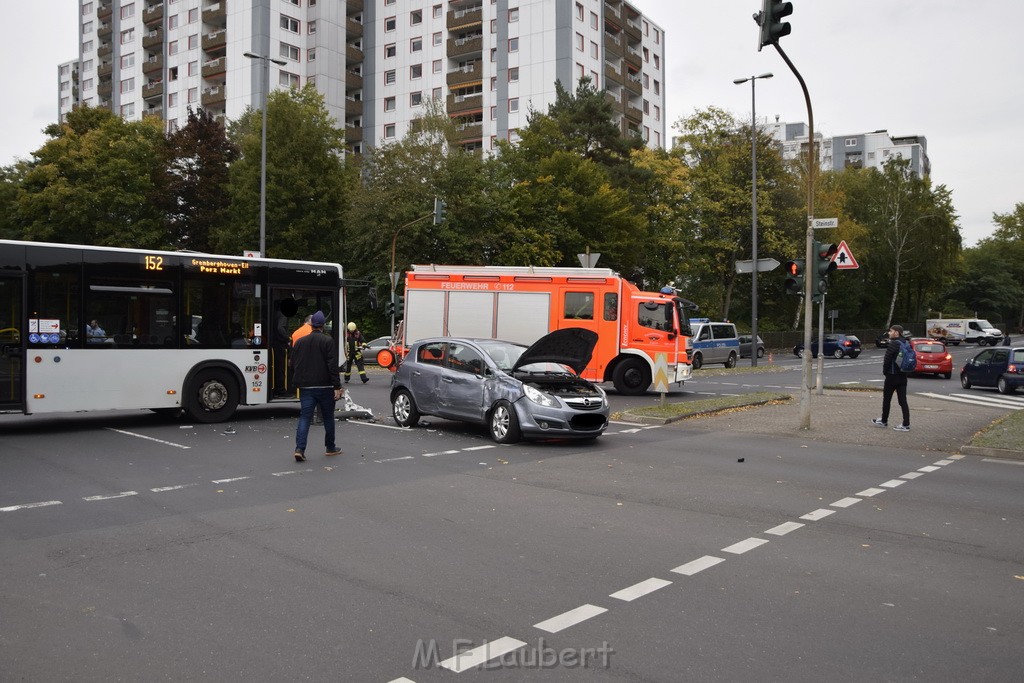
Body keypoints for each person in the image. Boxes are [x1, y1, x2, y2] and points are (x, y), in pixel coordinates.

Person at [288, 311, 343, 461]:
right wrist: (337, 386)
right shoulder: (327, 341)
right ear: (323, 326)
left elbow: (292, 364)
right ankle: (330, 447)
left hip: (306, 387)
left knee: (305, 417)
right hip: (325, 387)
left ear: (311, 325)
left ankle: (300, 449)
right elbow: (332, 366)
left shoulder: (300, 342)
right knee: (328, 418)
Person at [873, 325, 910, 432]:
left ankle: (884, 421)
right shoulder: (906, 343)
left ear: (897, 333)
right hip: (903, 376)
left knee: (887, 399)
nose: (889, 333)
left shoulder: (894, 344)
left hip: (892, 376)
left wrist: (885, 372)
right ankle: (906, 424)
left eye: (891, 331)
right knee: (903, 401)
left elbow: (887, 359)